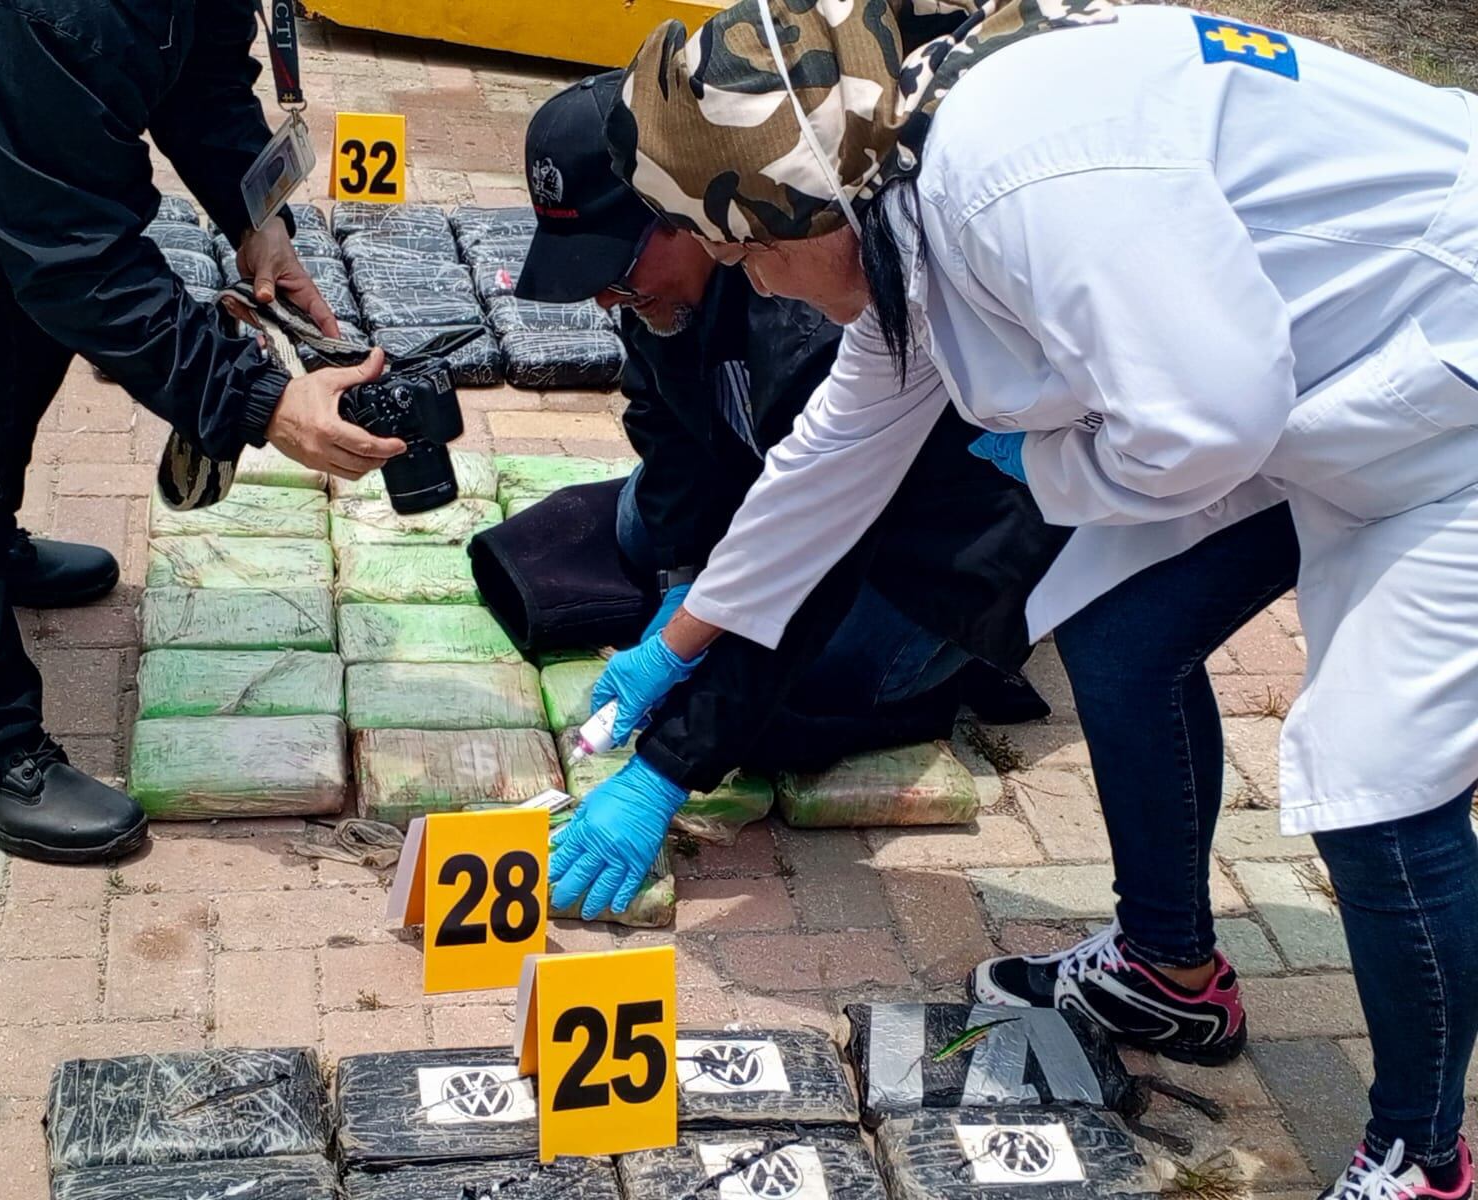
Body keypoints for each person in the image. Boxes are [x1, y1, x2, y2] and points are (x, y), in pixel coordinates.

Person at [552, 1, 1478, 1195]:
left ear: (798, 208)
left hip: (1441, 380)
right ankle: (1169, 971)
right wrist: (679, 644)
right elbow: (833, 457)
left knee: (1375, 778)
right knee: (1122, 635)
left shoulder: (1010, 181)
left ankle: (1419, 1154)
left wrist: (1044, 463)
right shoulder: (897, 182)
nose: (757, 283)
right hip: (1323, 370)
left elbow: (1206, 427)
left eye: (748, 255)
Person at [520, 70, 1068, 898]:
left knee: (812, 680)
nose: (609, 297)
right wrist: (688, 586)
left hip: (934, 538)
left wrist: (665, 770)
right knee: (642, 531)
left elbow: (825, 544)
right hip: (816, 491)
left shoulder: (813, 302)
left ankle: (968, 656)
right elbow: (662, 421)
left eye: (619, 271)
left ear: (688, 217)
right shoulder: (661, 287)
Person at [0, 0, 405, 863]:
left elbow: (202, 66)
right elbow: (72, 248)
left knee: (22, 336)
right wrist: (260, 401)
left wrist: (257, 215)